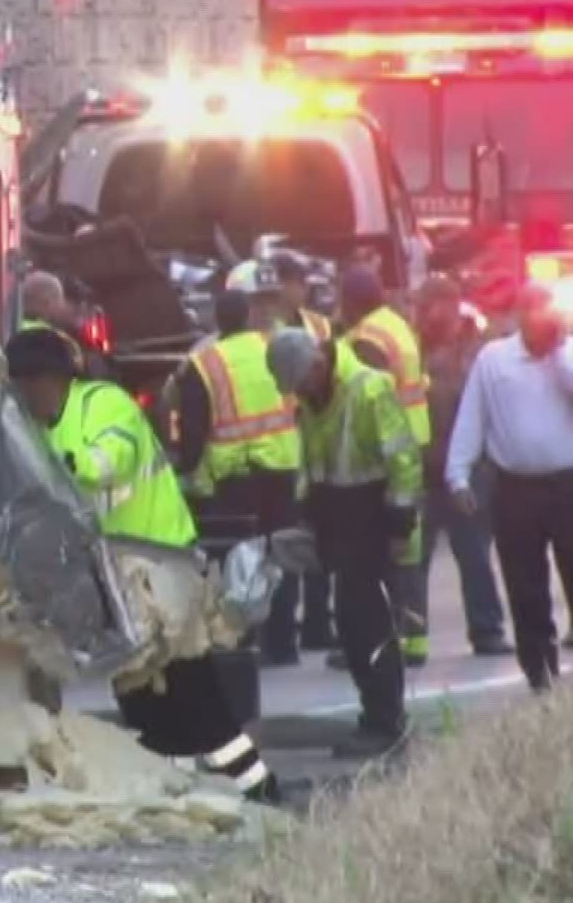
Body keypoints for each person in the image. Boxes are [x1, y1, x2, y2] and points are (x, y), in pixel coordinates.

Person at [6, 327, 279, 801]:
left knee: (190, 686)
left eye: (29, 386)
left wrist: (59, 464)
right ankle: (170, 785)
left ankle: (256, 786)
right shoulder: (40, 425)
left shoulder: (102, 404)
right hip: (120, 571)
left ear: (52, 380)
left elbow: (111, 459)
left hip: (159, 564)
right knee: (137, 690)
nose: (26, 398)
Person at [268, 328, 419, 758]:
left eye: (299, 382)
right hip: (340, 524)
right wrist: (308, 518)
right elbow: (313, 464)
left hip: (372, 521)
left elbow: (403, 460)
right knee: (353, 628)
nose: (297, 392)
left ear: (317, 364)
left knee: (368, 627)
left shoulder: (369, 389)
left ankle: (385, 723)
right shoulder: (313, 402)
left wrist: (398, 527)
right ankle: (377, 718)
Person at [164, 263, 305, 665]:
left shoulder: (204, 363)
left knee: (239, 562)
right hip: (282, 467)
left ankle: (244, 642)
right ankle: (283, 643)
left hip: (233, 480)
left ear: (214, 319)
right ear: (246, 315)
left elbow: (192, 433)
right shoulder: (274, 349)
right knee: (281, 555)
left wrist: (184, 471)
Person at [444, 284, 573, 692]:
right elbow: (472, 419)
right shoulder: (494, 360)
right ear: (520, 318)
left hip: (567, 484)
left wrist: (561, 353)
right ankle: (540, 675)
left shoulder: (567, 356)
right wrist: (458, 475)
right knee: (525, 586)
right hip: (515, 489)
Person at [340, 267, 433, 666]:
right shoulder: (397, 325)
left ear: (352, 301)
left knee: (380, 548)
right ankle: (412, 639)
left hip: (387, 450)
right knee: (407, 547)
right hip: (413, 442)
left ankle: (385, 639)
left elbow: (367, 398)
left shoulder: (366, 339)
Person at [416, 276, 511, 657]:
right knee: (414, 560)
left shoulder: (476, 348)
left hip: (468, 470)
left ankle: (487, 630)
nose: (435, 313)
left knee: (473, 554)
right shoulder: (410, 347)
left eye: (444, 303)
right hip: (422, 470)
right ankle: (410, 633)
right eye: (429, 304)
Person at [264, 254, 337, 656]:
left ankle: (317, 622)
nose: (300, 290)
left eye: (302, 282)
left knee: (321, 539)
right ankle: (288, 625)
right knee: (292, 543)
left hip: (314, 445)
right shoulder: (267, 333)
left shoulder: (319, 326)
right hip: (282, 450)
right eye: (293, 282)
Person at [17, 270, 88, 374]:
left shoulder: (4, 330)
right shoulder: (61, 343)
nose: (61, 306)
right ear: (47, 302)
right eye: (60, 300)